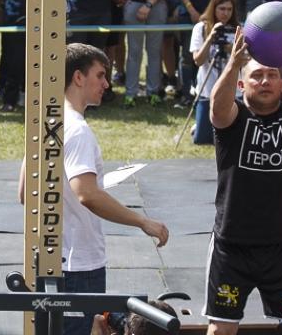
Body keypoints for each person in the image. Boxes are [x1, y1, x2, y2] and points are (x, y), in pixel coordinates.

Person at [18, 43, 169, 335]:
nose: (106, 84)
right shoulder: (78, 130)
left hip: (51, 260)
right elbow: (87, 194)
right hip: (79, 263)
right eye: (100, 75)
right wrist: (143, 221)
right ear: (78, 77)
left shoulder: (48, 124)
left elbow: (26, 194)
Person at [205, 28, 282, 334]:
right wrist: (234, 63)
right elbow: (216, 109)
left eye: (272, 75)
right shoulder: (234, 117)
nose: (265, 81)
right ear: (242, 84)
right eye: (257, 75)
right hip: (232, 246)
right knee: (221, 329)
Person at [189, 0, 238, 144]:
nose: (226, 13)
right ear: (213, 9)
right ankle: (200, 124)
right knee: (202, 139)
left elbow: (245, 62)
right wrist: (210, 37)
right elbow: (198, 60)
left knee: (231, 138)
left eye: (229, 9)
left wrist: (231, 49)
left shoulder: (238, 29)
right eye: (222, 9)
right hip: (207, 90)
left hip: (233, 92)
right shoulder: (200, 28)